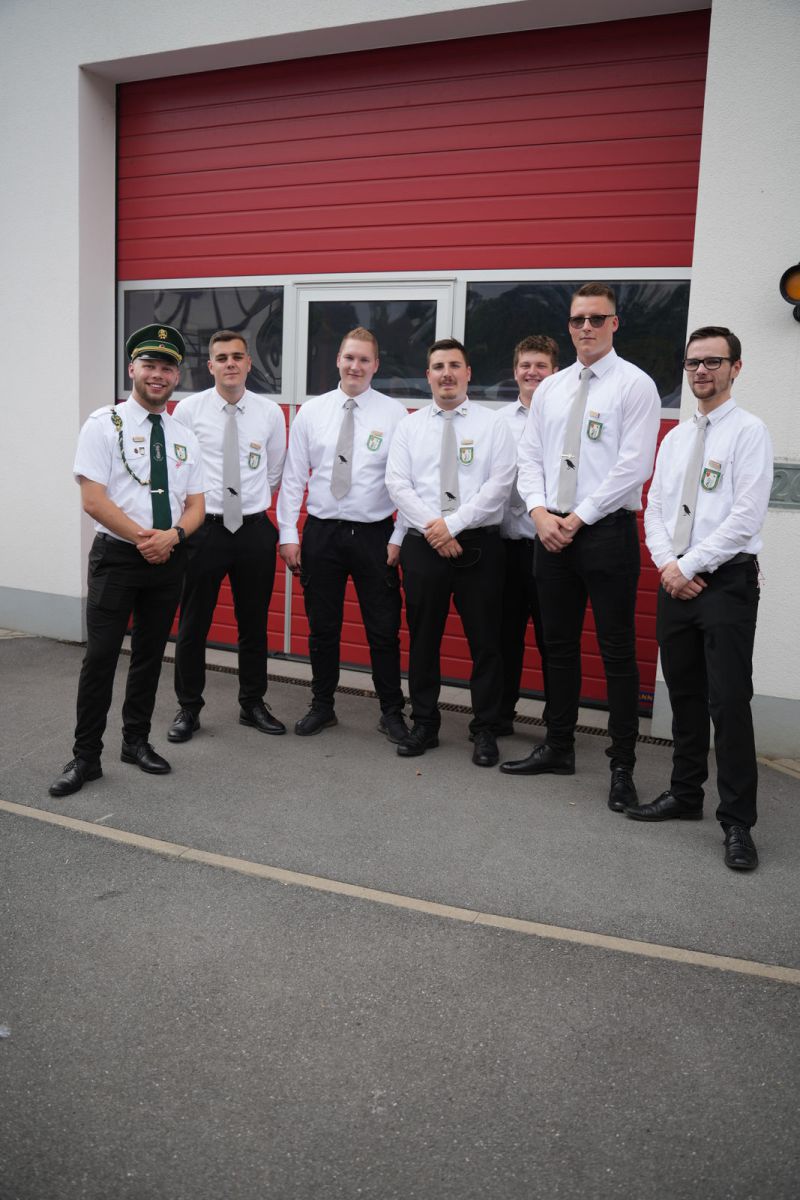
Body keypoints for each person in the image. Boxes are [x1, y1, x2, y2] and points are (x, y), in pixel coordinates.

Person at [501, 283, 660, 813]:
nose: (586, 327)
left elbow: (634, 466)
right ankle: (559, 746)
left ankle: (622, 766)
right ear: (568, 326)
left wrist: (578, 518)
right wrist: (540, 512)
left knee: (616, 651)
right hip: (550, 531)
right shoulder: (552, 388)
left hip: (606, 532)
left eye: (596, 318)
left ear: (615, 323)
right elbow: (529, 458)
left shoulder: (635, 385)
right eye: (577, 319)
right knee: (560, 647)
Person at [627, 326, 773, 871]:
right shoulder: (675, 439)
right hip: (677, 582)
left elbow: (745, 517)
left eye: (713, 361)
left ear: (736, 368)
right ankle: (685, 794)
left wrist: (687, 566)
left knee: (728, 702)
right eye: (693, 363)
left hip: (726, 583)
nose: (702, 371)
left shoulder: (750, 432)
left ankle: (738, 823)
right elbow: (656, 508)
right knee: (684, 696)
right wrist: (669, 566)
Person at [49, 325, 205, 797]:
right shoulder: (103, 424)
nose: (158, 375)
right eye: (150, 365)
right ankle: (85, 757)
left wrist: (173, 537)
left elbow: (196, 505)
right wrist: (144, 539)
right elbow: (93, 499)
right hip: (119, 558)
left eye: (167, 367)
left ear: (177, 375)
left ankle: (135, 742)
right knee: (100, 659)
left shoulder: (183, 435)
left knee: (150, 656)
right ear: (132, 369)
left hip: (168, 558)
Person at [385, 338, 517, 766]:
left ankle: (486, 729)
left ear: (468, 373)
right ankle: (424, 723)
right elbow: (397, 485)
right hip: (424, 545)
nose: (447, 374)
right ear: (428, 375)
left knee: (486, 642)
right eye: (438, 366)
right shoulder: (409, 427)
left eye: (454, 365)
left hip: (479, 545)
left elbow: (500, 484)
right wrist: (436, 529)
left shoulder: (493, 424)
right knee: (424, 639)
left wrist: (453, 525)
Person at [276, 327, 408, 740]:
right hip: (322, 534)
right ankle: (322, 706)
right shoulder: (312, 412)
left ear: (376, 365)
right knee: (323, 627)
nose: (356, 366)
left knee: (383, 629)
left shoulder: (395, 415)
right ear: (338, 359)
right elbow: (293, 477)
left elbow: (408, 482)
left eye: (364, 359)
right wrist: (288, 532)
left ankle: (391, 712)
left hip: (374, 536)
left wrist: (399, 536)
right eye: (349, 357)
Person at [167, 330, 287, 743]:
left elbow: (273, 472)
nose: (230, 363)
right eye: (222, 358)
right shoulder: (188, 410)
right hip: (205, 531)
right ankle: (188, 708)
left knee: (253, 623)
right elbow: (179, 470)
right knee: (193, 623)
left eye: (237, 356)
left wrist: (249, 503)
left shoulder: (270, 413)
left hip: (253, 531)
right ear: (210, 365)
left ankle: (252, 703)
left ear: (249, 363)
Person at [496, 335, 558, 735]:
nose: (532, 372)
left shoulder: (564, 420)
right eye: (525, 365)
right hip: (505, 547)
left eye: (541, 366)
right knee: (504, 637)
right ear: (515, 370)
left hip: (550, 546)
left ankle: (557, 725)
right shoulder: (497, 421)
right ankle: (500, 716)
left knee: (553, 640)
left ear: (555, 372)